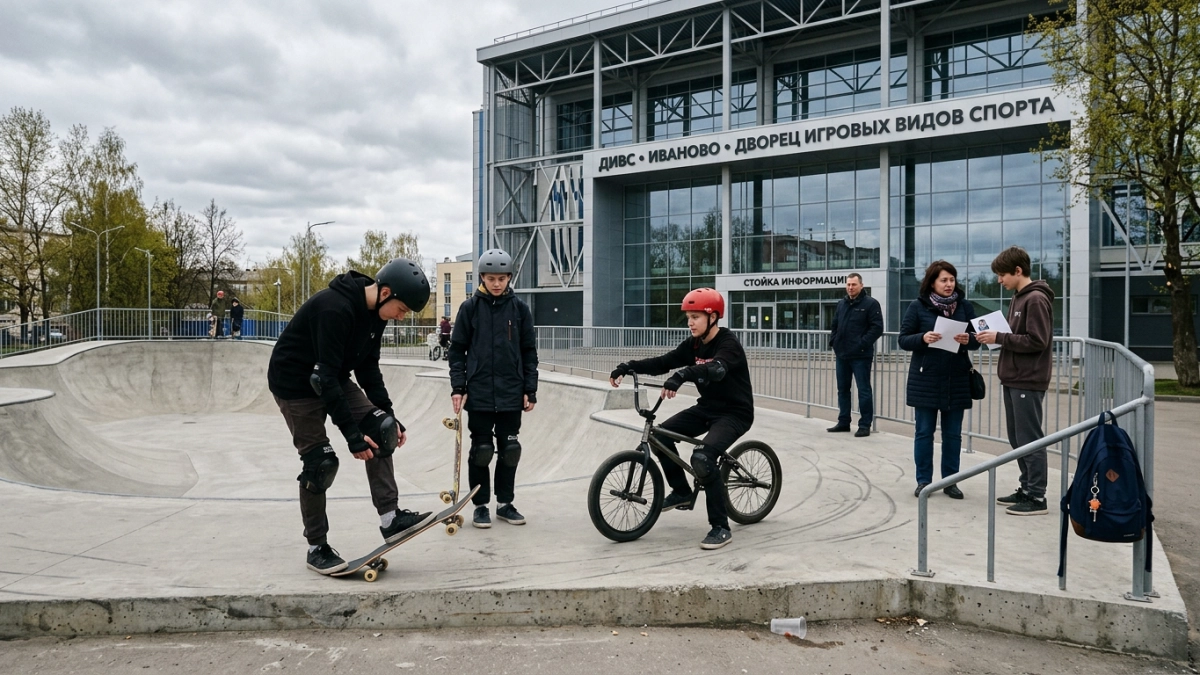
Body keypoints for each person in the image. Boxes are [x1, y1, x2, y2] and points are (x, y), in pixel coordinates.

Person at [267, 258, 435, 574]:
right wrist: (353, 437)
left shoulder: (377, 314)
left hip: (331, 376)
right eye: (401, 309)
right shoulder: (335, 308)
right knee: (321, 464)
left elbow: (368, 369)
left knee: (381, 428)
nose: (401, 318)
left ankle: (391, 519)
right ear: (385, 292)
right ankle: (317, 547)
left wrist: (390, 415)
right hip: (294, 384)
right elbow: (323, 380)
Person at [608, 288, 753, 550]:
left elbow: (716, 369)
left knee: (702, 457)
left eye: (696, 316)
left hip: (735, 413)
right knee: (660, 435)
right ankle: (682, 492)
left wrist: (683, 374)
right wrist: (628, 366)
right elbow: (665, 362)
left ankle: (720, 527)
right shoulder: (693, 344)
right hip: (706, 407)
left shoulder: (728, 344)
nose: (690, 322)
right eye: (688, 316)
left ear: (713, 317)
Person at [448, 249, 538, 530]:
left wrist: (530, 389)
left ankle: (505, 503)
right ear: (482, 278)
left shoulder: (520, 310)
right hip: (480, 394)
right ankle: (480, 505)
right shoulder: (470, 308)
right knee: (482, 450)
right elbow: (457, 351)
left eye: (501, 278)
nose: (496, 284)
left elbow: (529, 352)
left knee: (510, 449)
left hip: (512, 392)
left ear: (510, 278)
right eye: (490, 278)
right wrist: (458, 388)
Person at [976, 246, 1054, 516]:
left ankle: (1036, 496)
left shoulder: (1035, 299)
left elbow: (1037, 340)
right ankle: (1027, 487)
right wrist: (998, 337)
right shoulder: (1017, 298)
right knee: (1017, 438)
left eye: (1002, 275)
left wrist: (998, 337)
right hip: (1013, 377)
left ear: (1017, 271)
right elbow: (1017, 336)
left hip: (1028, 379)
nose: (999, 280)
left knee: (1030, 438)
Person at [898, 260, 979, 499]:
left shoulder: (964, 306)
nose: (948, 284)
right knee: (924, 432)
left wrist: (969, 340)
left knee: (953, 434)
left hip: (957, 379)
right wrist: (923, 338)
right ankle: (924, 481)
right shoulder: (917, 306)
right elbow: (903, 340)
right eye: (943, 280)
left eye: (952, 279)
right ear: (932, 282)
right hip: (926, 379)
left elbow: (977, 337)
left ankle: (950, 481)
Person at [827, 272, 884, 437]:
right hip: (842, 354)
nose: (850, 288)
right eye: (848, 284)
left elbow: (877, 328)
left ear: (861, 285)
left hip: (861, 356)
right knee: (843, 389)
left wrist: (861, 344)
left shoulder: (871, 304)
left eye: (854, 284)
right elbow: (835, 324)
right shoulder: (842, 304)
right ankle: (844, 421)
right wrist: (834, 341)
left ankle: (865, 424)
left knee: (863, 390)